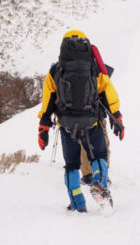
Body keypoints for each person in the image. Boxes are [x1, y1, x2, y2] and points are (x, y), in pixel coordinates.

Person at [37, 30, 124, 212]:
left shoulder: (55, 70)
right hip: (91, 122)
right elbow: (108, 93)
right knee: (98, 156)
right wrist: (117, 117)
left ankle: (77, 203)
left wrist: (43, 127)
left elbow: (48, 102)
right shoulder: (94, 68)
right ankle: (99, 183)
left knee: (71, 165)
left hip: (66, 126)